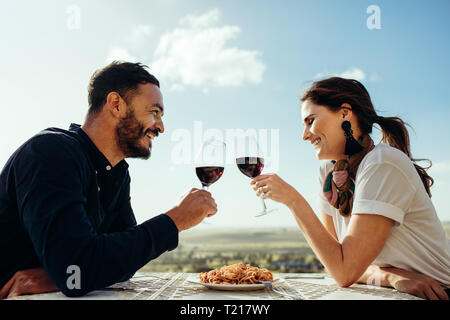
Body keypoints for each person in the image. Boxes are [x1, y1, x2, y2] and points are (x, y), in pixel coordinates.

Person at [0, 61, 217, 299]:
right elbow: (81, 269)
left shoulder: (117, 173)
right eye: (154, 112)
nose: (161, 127)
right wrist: (173, 221)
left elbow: (121, 265)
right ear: (116, 105)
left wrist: (55, 276)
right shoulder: (50, 153)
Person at [251, 77, 450, 300]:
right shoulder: (329, 171)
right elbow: (334, 260)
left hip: (437, 293)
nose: (304, 135)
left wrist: (294, 201)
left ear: (345, 113)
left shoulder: (382, 162)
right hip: (388, 291)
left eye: (311, 121)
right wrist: (389, 276)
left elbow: (343, 271)